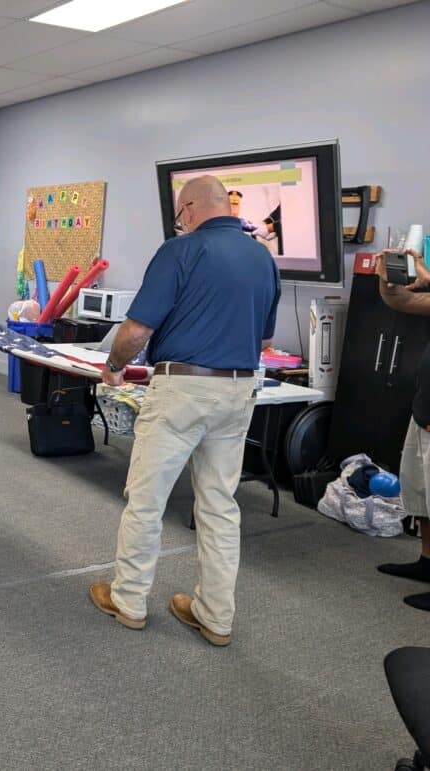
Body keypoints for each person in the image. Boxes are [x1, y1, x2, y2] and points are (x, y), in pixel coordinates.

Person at [89, 175, 281, 646]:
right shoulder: (263, 258)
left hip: (182, 389)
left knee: (147, 498)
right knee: (219, 505)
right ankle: (215, 615)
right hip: (238, 391)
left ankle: (129, 600)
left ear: (191, 208)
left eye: (181, 214)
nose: (181, 222)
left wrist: (114, 367)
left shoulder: (181, 251)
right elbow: (266, 341)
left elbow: (136, 330)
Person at [373, 247, 430, 613]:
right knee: (420, 492)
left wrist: (427, 277)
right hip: (424, 408)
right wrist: (389, 277)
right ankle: (427, 561)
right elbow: (402, 301)